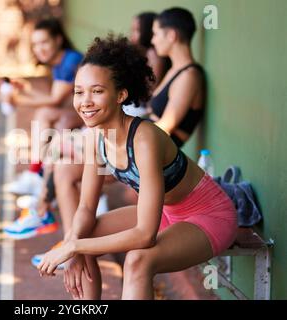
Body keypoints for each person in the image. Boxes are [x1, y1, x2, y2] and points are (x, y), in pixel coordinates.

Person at [36, 33, 237, 300]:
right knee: (84, 240)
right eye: (79, 91)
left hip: (207, 217)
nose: (85, 101)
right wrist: (74, 246)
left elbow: (144, 235)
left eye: (97, 91)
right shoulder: (96, 138)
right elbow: (85, 207)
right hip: (167, 214)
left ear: (120, 94)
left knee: (138, 261)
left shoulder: (144, 139)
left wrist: (73, 245)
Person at [3, 18, 84, 239]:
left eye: (44, 42)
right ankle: (37, 175)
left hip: (94, 115)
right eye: (35, 44)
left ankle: (39, 179)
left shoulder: (71, 61)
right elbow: (53, 100)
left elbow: (55, 100)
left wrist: (18, 99)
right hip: (80, 113)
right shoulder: (59, 62)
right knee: (47, 116)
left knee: (53, 118)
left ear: (58, 40)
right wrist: (26, 91)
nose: (39, 49)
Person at [147, 7, 206, 147]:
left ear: (171, 35)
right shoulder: (174, 70)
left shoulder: (190, 76)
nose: (153, 40)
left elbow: (164, 128)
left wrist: (125, 135)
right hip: (145, 143)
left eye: (155, 34)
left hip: (157, 153)